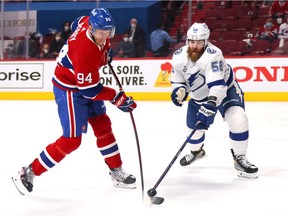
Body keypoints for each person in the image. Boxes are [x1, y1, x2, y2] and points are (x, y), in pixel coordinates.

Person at [11, 8, 137, 195]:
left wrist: (106, 51)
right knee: (72, 140)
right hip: (69, 88)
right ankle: (28, 172)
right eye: (101, 33)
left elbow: (77, 21)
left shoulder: (89, 22)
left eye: (108, 32)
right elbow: (89, 91)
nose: (105, 36)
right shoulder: (85, 51)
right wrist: (116, 97)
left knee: (103, 125)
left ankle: (116, 170)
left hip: (84, 82)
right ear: (92, 29)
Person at [170, 22, 258, 179]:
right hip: (198, 95)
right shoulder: (178, 57)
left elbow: (217, 86)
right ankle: (196, 151)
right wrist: (179, 90)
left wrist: (210, 104)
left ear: (206, 41)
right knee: (193, 133)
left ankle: (239, 158)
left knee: (238, 118)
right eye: (191, 41)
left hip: (226, 90)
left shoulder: (213, 54)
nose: (194, 46)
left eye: (199, 42)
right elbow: (177, 80)